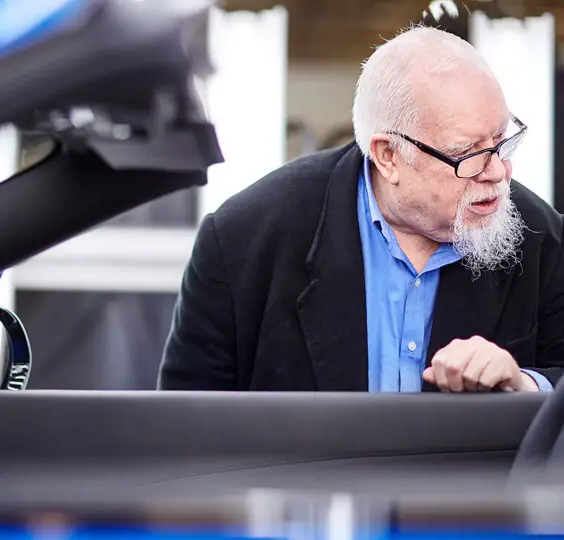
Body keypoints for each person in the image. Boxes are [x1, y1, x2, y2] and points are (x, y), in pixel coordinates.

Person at [158, 25, 564, 394]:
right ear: (388, 156)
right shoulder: (242, 241)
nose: (497, 172)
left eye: (500, 141)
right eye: (466, 154)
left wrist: (525, 386)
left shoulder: (545, 239)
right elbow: (184, 430)